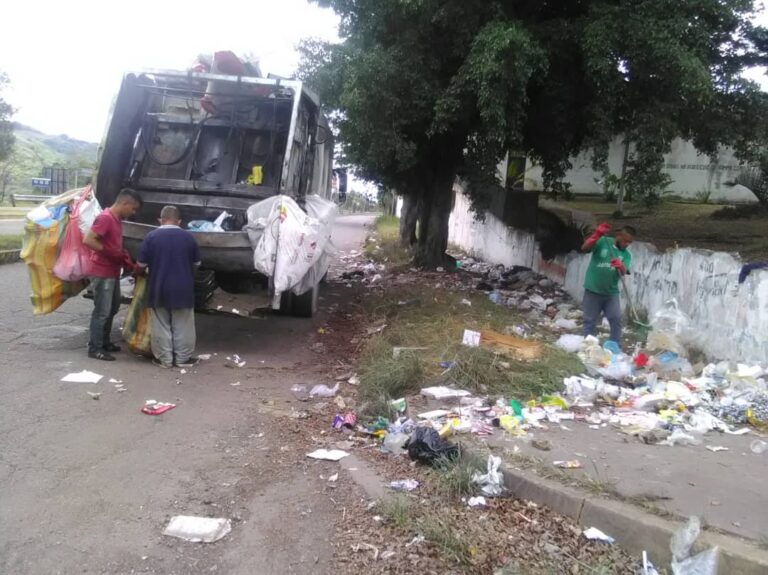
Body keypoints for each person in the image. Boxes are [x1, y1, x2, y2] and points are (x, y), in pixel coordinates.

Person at [136, 205, 201, 368]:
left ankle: (164, 360)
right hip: (183, 288)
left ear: (160, 220)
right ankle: (182, 359)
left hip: (158, 287)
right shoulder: (189, 238)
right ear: (179, 221)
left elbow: (140, 264)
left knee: (161, 324)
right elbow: (197, 263)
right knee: (183, 325)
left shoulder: (151, 237)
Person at [83, 188, 143, 361]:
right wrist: (110, 252)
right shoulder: (105, 218)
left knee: (113, 306)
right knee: (102, 310)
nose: (133, 212)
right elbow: (88, 240)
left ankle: (104, 342)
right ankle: (95, 348)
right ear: (125, 203)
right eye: (133, 208)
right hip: (102, 271)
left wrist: (121, 256)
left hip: (112, 271)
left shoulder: (116, 219)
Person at [581, 223, 635, 345]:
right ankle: (588, 347)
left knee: (616, 319)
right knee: (589, 321)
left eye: (629, 243)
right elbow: (585, 248)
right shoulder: (603, 242)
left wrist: (621, 265)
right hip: (593, 290)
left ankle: (614, 347)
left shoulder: (626, 254)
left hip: (611, 293)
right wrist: (597, 234)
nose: (627, 244)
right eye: (625, 241)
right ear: (618, 236)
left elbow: (625, 271)